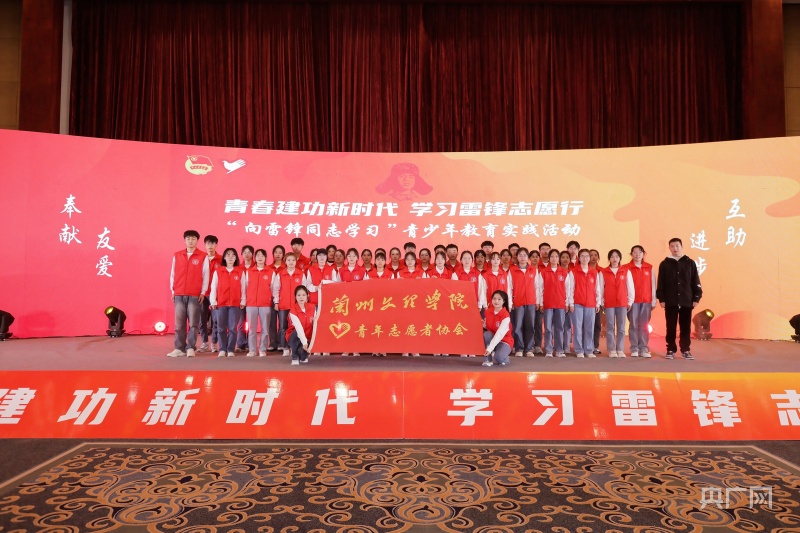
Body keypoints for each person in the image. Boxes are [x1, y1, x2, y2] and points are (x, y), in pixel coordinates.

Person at [656, 238, 702, 360]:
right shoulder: (664, 264)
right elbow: (661, 282)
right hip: (670, 301)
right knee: (670, 327)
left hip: (686, 300)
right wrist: (661, 298)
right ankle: (670, 349)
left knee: (685, 327)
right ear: (669, 248)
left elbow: (695, 281)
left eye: (677, 246)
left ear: (682, 247)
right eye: (672, 246)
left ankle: (685, 350)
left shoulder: (690, 263)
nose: (675, 248)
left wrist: (696, 297)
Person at [168, 230, 210, 358]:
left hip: (194, 294)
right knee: (179, 324)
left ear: (197, 240)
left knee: (193, 323)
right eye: (188, 239)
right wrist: (173, 291)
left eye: (193, 239)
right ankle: (179, 348)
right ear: (184, 240)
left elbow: (206, 275)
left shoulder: (202, 256)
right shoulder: (177, 255)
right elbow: (173, 274)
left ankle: (191, 347)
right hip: (179, 293)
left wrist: (203, 292)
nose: (190, 241)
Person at [209, 247, 244, 358]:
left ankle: (230, 349)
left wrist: (243, 300)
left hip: (235, 304)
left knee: (233, 328)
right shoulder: (218, 271)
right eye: (228, 255)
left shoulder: (240, 271)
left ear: (236, 258)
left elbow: (243, 287)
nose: (230, 257)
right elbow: (213, 287)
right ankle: (222, 349)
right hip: (221, 304)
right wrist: (213, 301)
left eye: (233, 255)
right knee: (221, 328)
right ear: (224, 257)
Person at [600, 249, 634, 358]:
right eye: (612, 257)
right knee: (610, 327)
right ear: (609, 259)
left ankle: (620, 349)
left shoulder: (626, 271)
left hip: (622, 303)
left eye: (617, 257)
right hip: (609, 303)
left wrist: (630, 301)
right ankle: (611, 350)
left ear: (620, 258)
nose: (614, 259)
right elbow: (600, 288)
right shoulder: (603, 272)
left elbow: (630, 287)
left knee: (621, 328)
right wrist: (601, 301)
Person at [509, 247, 542, 357]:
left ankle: (529, 349)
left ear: (528, 257)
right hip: (518, 302)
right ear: (517, 257)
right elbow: (509, 287)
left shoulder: (534, 270)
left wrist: (538, 301)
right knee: (518, 326)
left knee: (530, 326)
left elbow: (537, 287)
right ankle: (519, 348)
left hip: (531, 302)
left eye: (524, 255)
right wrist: (510, 302)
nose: (522, 257)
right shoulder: (512, 271)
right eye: (520, 255)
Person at [272, 254, 306, 357]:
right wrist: (276, 302)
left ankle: (294, 347)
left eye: (293, 260)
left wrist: (303, 304)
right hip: (284, 305)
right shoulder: (280, 274)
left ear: (296, 262)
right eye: (289, 260)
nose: (291, 262)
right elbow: (276, 289)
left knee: (296, 327)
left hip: (296, 306)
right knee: (283, 327)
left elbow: (304, 290)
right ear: (285, 262)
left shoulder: (301, 274)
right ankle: (285, 347)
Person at [540, 249, 572, 358]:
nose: (554, 259)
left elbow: (568, 289)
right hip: (548, 304)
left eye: (556, 257)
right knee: (548, 328)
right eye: (552, 256)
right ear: (549, 258)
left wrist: (567, 303)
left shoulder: (564, 272)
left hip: (560, 304)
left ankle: (559, 350)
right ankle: (548, 350)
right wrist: (540, 303)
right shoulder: (543, 272)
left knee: (560, 328)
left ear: (558, 259)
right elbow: (540, 289)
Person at [627, 245, 657, 358]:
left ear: (643, 254)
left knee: (644, 325)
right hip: (633, 301)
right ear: (631, 254)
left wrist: (653, 300)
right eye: (634, 252)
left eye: (640, 252)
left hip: (646, 300)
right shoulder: (627, 268)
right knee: (633, 325)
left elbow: (653, 284)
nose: (637, 254)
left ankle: (644, 348)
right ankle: (634, 348)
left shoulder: (649, 267)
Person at [571, 249, 602, 358]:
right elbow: (571, 289)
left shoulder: (594, 272)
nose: (585, 258)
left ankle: (589, 350)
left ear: (589, 258)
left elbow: (597, 289)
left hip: (591, 304)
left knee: (589, 327)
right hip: (577, 303)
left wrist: (597, 303)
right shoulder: (573, 272)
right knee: (578, 327)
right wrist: (571, 303)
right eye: (582, 256)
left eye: (587, 256)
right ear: (579, 258)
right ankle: (579, 350)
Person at [243, 248, 273, 357]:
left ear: (265, 258)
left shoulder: (271, 272)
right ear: (255, 258)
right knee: (252, 329)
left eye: (262, 255)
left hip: (265, 304)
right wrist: (244, 300)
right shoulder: (249, 272)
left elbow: (273, 288)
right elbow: (245, 287)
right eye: (258, 255)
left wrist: (271, 300)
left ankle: (262, 349)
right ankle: (252, 350)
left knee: (265, 329)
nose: (260, 258)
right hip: (251, 304)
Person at [199, 235, 221, 352]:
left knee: (216, 319)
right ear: (204, 245)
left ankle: (214, 343)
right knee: (202, 319)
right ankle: (204, 342)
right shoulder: (201, 258)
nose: (210, 246)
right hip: (202, 293)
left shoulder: (221, 259)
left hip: (216, 294)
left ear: (216, 245)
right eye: (208, 243)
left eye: (212, 243)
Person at [286, 285, 317, 365]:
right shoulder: (293, 310)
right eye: (299, 295)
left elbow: (315, 324)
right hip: (294, 336)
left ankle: (302, 355)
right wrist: (304, 343)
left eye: (303, 295)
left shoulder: (312, 307)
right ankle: (294, 356)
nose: (301, 297)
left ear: (307, 296)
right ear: (295, 297)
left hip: (307, 337)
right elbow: (298, 328)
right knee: (297, 331)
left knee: (303, 358)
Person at [482, 290, 514, 367]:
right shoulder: (487, 312)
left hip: (504, 341)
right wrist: (484, 325)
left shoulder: (505, 316)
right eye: (494, 298)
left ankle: (504, 357)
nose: (496, 301)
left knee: (499, 358)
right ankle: (488, 359)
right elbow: (488, 327)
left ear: (503, 301)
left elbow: (500, 334)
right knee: (487, 334)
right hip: (493, 338)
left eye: (499, 299)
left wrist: (490, 349)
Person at [235, 245, 255, 352]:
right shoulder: (238, 268)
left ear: (253, 254)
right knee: (241, 322)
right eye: (244, 252)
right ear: (241, 254)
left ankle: (250, 344)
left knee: (251, 323)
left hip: (253, 299)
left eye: (249, 252)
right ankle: (241, 344)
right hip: (240, 298)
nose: (247, 254)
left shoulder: (257, 267)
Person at [559, 250, 574, 353]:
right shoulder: (556, 271)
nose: (565, 259)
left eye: (567, 257)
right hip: (558, 302)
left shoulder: (572, 272)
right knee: (558, 325)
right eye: (563, 257)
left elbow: (572, 289)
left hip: (570, 302)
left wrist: (569, 302)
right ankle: (558, 344)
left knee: (568, 325)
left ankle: (567, 345)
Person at [589, 249, 603, 356]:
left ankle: (595, 346)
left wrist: (601, 301)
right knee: (586, 324)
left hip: (598, 301)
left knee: (597, 324)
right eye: (591, 255)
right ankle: (586, 345)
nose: (593, 257)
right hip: (586, 301)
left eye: (595, 255)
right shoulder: (583, 269)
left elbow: (602, 288)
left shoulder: (601, 271)